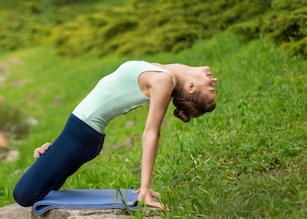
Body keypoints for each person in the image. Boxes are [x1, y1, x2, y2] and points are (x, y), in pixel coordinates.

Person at [12, 60, 218, 210]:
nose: (214, 80)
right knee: (42, 185)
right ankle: (48, 158)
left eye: (210, 86)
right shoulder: (162, 72)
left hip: (82, 134)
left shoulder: (163, 80)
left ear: (191, 87)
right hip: (80, 132)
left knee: (22, 195)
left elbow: (151, 133)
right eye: (212, 85)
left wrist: (145, 187)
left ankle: (48, 163)